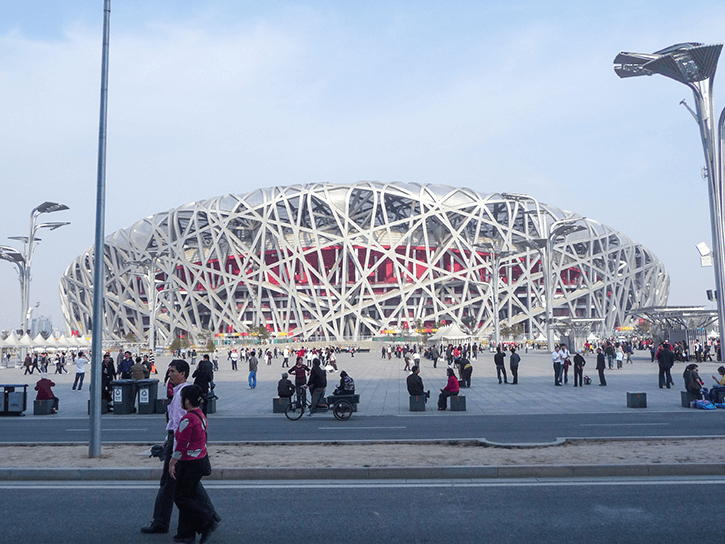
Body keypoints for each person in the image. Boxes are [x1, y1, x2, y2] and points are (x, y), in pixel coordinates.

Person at [141, 360, 220, 536]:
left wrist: (174, 452)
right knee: (187, 484)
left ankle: (163, 523)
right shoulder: (181, 392)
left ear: (182, 374)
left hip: (179, 443)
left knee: (170, 483)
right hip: (176, 441)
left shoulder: (182, 395)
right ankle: (210, 516)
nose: (169, 374)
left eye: (172, 371)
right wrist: (165, 440)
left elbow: (181, 425)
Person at [169, 384, 217, 544]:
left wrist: (172, 462)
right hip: (200, 460)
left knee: (181, 498)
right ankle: (187, 533)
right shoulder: (201, 415)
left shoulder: (188, 419)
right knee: (189, 495)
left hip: (190, 462)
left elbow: (182, 444)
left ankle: (206, 522)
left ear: (187, 401)